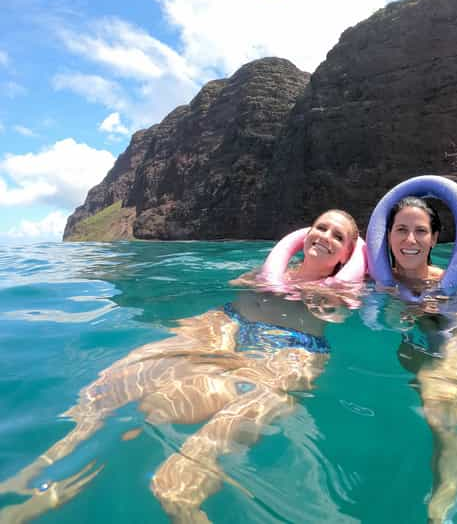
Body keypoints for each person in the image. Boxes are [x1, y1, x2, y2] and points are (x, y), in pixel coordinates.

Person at [0, 210, 361, 524]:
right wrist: (264, 280)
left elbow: (364, 310)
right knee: (110, 384)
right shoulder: (271, 268)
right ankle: (41, 473)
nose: (325, 236)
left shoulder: (348, 290)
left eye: (338, 236)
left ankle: (185, 505)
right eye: (321, 227)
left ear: (347, 254)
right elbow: (233, 286)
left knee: (175, 484)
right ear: (305, 234)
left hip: (290, 349)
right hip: (227, 322)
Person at [385, 196, 457, 523]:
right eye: (401, 229)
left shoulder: (450, 281)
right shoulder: (377, 281)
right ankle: (450, 462)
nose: (410, 240)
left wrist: (447, 299)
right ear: (388, 235)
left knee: (439, 410)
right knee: (427, 400)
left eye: (420, 231)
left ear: (434, 238)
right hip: (415, 339)